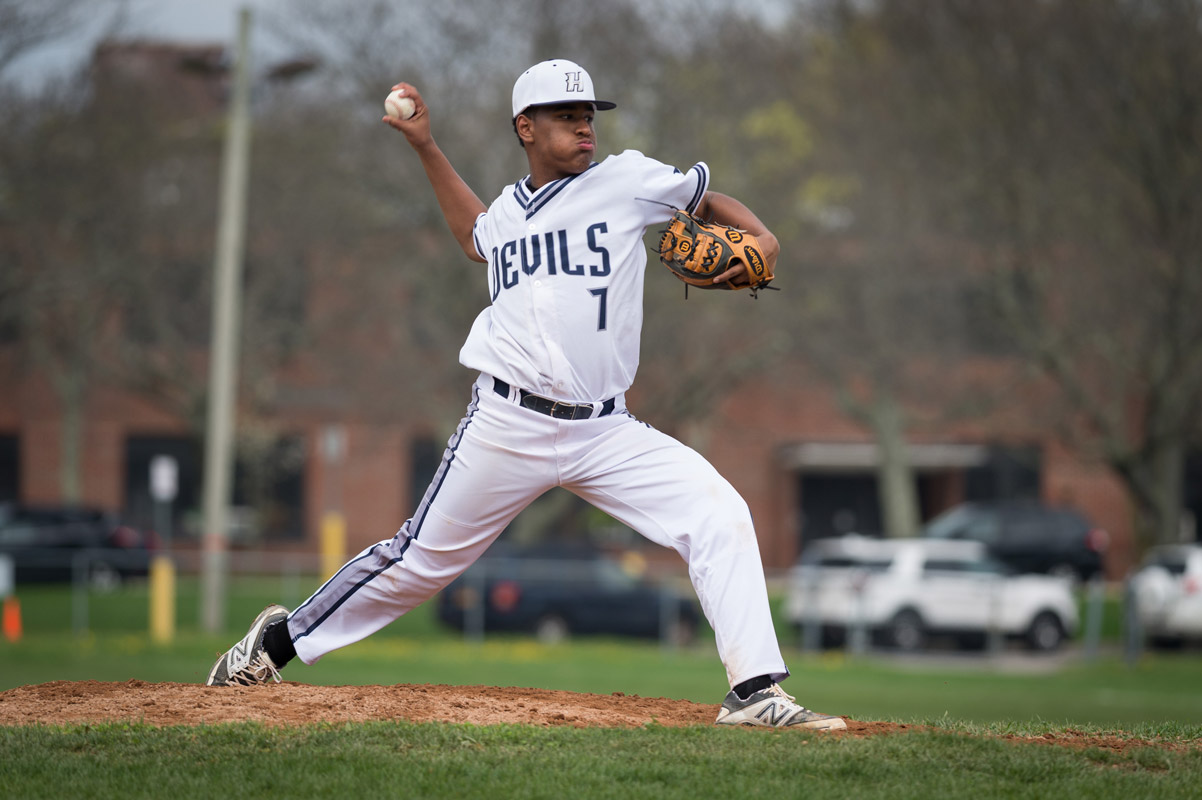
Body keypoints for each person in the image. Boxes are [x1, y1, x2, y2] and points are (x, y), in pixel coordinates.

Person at [206, 59, 845, 731]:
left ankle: (754, 692)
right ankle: (271, 645)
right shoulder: (508, 213)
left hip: (605, 430)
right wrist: (425, 145)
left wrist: (764, 237)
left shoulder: (627, 180)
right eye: (568, 116)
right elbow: (471, 234)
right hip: (506, 423)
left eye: (589, 115)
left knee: (719, 512)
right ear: (526, 127)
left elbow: (709, 201)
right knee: (417, 563)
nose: (584, 126)